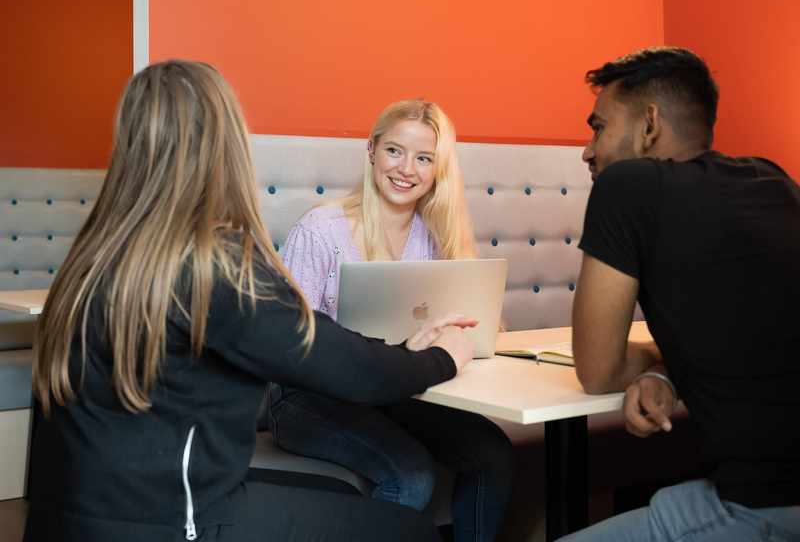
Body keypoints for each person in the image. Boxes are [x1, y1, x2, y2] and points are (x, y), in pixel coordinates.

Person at [24, 61, 476, 542]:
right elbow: (339, 363)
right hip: (171, 521)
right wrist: (439, 358)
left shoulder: (93, 255)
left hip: (72, 519)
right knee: (409, 532)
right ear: (228, 147)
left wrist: (408, 353)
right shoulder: (211, 264)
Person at [562, 47, 800, 541]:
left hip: (766, 502)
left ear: (648, 126)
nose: (588, 149)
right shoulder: (773, 179)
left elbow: (597, 370)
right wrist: (666, 375)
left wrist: (649, 360)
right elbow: (751, 333)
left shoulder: (626, 186)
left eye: (599, 127)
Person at [266, 100, 515, 542]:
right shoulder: (321, 229)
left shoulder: (437, 234)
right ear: (372, 151)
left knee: (491, 453)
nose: (406, 169)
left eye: (424, 158)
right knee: (412, 476)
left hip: (399, 392)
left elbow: (482, 327)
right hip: (307, 399)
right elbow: (289, 345)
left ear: (438, 170)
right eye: (395, 151)